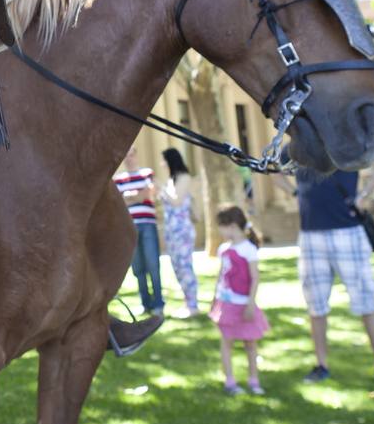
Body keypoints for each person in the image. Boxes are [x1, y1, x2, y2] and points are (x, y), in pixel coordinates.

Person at [288, 154, 374, 388]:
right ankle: (321, 365)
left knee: (366, 301)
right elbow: (271, 165)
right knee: (315, 306)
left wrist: (364, 194)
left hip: (347, 232)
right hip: (310, 235)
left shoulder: (346, 140)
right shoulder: (299, 141)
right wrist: (293, 191)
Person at [210, 205, 268, 394]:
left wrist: (251, 302)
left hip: (243, 303)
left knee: (250, 343)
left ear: (232, 225)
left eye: (221, 225)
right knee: (227, 342)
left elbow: (255, 277)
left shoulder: (249, 249)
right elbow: (221, 276)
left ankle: (253, 380)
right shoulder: (223, 249)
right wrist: (214, 299)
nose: (220, 230)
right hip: (226, 304)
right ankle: (230, 381)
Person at [115, 148, 163, 318]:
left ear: (136, 156)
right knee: (138, 268)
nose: (128, 159)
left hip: (148, 224)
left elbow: (151, 194)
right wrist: (139, 196)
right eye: (125, 157)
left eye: (131, 156)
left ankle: (158, 303)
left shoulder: (147, 173)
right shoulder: (118, 179)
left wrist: (129, 197)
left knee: (153, 265)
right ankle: (146, 303)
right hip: (129, 228)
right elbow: (118, 203)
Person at [159, 148, 200, 317]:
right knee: (177, 267)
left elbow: (177, 201)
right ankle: (187, 302)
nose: (162, 164)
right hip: (171, 230)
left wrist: (160, 186)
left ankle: (193, 306)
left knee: (185, 266)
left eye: (164, 160)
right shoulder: (171, 180)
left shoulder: (184, 178)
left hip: (182, 230)